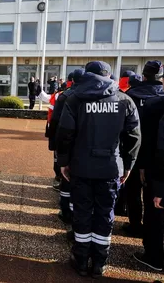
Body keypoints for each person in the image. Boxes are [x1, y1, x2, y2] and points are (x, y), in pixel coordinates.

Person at [57, 61, 141, 278]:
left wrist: (64, 162)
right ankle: (99, 264)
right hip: (110, 168)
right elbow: (133, 137)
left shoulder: (74, 99)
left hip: (81, 166)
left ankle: (81, 260)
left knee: (82, 212)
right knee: (105, 214)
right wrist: (129, 165)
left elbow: (65, 134)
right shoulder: (125, 100)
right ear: (109, 75)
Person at [123, 61, 164, 238]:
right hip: (157, 155)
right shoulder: (162, 97)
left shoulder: (131, 95)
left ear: (144, 75)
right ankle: (149, 232)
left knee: (132, 192)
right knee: (152, 196)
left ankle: (134, 225)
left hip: (134, 150)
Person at [48, 69, 84, 227]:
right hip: (88, 150)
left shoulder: (65, 96)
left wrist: (55, 146)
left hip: (68, 146)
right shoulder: (111, 97)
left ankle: (66, 211)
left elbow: (54, 121)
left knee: (67, 179)